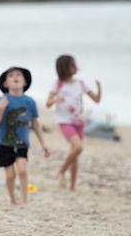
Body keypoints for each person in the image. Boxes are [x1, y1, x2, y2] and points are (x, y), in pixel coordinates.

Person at [0, 66, 50, 205]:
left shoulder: (30, 102)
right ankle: (12, 199)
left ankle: (24, 202)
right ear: (5, 84)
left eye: (19, 75)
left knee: (22, 171)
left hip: (22, 143)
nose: (15, 77)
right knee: (10, 175)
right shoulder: (1, 100)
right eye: (11, 76)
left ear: (25, 82)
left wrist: (44, 144)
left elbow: (35, 124)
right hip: (3, 144)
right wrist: (1, 108)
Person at [46, 55, 102, 191]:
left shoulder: (81, 83)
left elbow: (96, 100)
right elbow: (47, 103)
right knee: (78, 147)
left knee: (75, 154)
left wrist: (99, 88)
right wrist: (55, 100)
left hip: (79, 121)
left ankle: (72, 187)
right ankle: (61, 171)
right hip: (64, 121)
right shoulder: (58, 84)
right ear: (64, 68)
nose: (76, 67)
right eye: (72, 65)